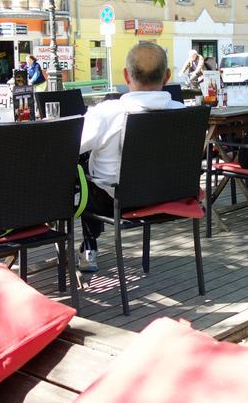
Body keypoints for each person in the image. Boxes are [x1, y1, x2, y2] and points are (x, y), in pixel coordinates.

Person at [77, 43, 184, 272]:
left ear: (126, 75)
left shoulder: (107, 112)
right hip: (168, 198)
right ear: (167, 76)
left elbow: (71, 146)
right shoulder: (181, 112)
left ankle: (89, 246)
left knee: (81, 171)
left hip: (116, 202)